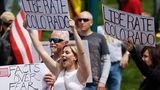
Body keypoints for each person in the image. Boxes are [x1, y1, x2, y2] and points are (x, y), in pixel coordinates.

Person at [25, 19, 90, 90]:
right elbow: (41, 51)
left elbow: (81, 52)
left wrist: (74, 30)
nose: (63, 55)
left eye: (67, 53)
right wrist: (30, 31)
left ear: (75, 57)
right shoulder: (59, 71)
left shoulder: (82, 73)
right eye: (63, 52)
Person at [75, 11, 111, 90]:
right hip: (74, 82)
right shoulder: (72, 38)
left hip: (93, 84)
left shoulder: (99, 37)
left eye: (85, 20)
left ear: (91, 23)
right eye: (79, 20)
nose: (82, 22)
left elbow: (107, 60)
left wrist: (102, 81)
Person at [98, 25, 130, 90]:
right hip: (102, 64)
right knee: (99, 87)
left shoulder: (120, 30)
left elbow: (130, 44)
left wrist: (126, 54)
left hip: (116, 65)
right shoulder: (99, 29)